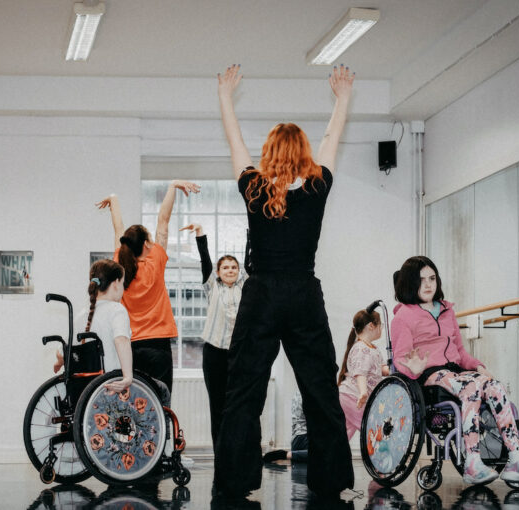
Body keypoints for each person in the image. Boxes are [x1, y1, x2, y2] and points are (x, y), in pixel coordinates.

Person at [212, 63, 355, 500]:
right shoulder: (316, 186)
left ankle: (235, 483)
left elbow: (236, 144)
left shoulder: (255, 187)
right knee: (319, 389)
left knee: (243, 391)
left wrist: (225, 99)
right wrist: (342, 99)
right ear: (303, 152)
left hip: (261, 295)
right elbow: (332, 141)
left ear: (270, 152)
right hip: (303, 295)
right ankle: (330, 481)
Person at [391, 256, 519, 485]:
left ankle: (516, 460)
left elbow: (460, 352)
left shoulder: (447, 310)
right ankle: (472, 462)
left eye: (432, 278)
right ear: (408, 283)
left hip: (455, 372)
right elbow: (400, 358)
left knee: (493, 385)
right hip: (429, 374)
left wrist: (478, 366)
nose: (428, 285)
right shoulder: (403, 316)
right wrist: (412, 369)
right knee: (471, 386)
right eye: (421, 280)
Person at [96, 180, 200, 394]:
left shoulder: (120, 265)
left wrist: (114, 200)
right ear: (146, 243)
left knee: (135, 403)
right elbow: (163, 219)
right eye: (150, 238)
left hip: (131, 346)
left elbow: (118, 228)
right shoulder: (156, 261)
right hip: (158, 345)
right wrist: (172, 187)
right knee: (160, 403)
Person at [53, 259, 171, 405]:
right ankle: (161, 428)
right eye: (122, 283)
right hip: (112, 386)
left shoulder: (82, 314)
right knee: (162, 389)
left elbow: (62, 351)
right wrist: (127, 378)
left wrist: (59, 362)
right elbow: (121, 340)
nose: (122, 289)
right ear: (115, 283)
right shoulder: (117, 310)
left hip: (85, 391)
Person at [181, 223, 246, 448]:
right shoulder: (212, 287)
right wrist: (200, 234)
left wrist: (251, 233)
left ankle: (235, 453)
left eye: (234, 267)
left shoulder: (245, 287)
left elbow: (251, 260)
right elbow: (205, 260)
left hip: (238, 354)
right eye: (225, 267)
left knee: (236, 406)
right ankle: (221, 455)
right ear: (218, 272)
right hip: (214, 354)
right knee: (217, 406)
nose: (230, 270)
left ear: (239, 271)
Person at [338, 304, 390, 440]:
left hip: (350, 396)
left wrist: (398, 368)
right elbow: (360, 373)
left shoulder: (373, 349)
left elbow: (383, 369)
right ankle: (382, 457)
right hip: (354, 396)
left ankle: (324, 457)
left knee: (343, 434)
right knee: (373, 427)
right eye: (381, 325)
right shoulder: (362, 349)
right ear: (371, 326)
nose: (382, 329)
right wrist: (363, 392)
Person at [262, 390, 309, 463]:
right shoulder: (315, 392)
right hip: (306, 438)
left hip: (295, 440)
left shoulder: (298, 393)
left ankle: (287, 454)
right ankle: (286, 454)